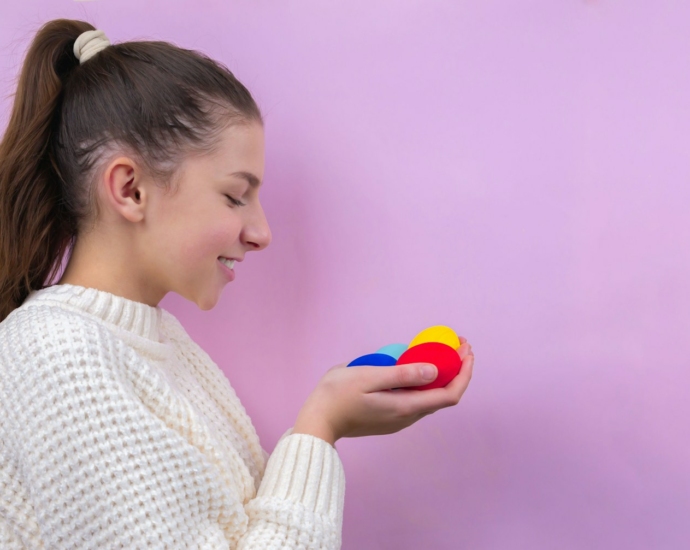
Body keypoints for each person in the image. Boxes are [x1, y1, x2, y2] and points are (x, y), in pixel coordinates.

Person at [0, 18, 475, 550]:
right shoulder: (58, 356)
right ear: (130, 189)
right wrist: (320, 426)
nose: (262, 233)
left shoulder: (161, 345)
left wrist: (327, 419)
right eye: (234, 196)